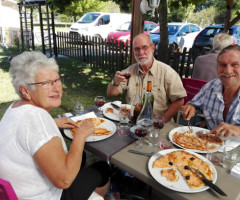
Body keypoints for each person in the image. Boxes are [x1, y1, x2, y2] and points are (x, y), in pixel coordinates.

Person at [0, 51, 111, 200]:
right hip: (49, 196)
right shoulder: (36, 117)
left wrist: (52, 122)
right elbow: (63, 180)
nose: (57, 88)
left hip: (23, 190)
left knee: (82, 157)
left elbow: (24, 132)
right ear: (25, 91)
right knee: (103, 169)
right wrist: (80, 136)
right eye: (45, 83)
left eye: (57, 80)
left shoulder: (15, 107)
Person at [182, 45, 240, 161]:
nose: (227, 71)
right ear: (217, 68)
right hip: (209, 151)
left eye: (234, 65)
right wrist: (191, 107)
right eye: (223, 65)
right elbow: (195, 105)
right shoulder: (210, 87)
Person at [107, 33, 186, 122]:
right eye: (137, 49)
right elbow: (111, 93)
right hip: (133, 122)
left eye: (144, 47)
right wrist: (115, 82)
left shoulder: (167, 72)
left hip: (159, 126)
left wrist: (162, 120)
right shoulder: (129, 71)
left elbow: (179, 100)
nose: (141, 52)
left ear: (152, 48)